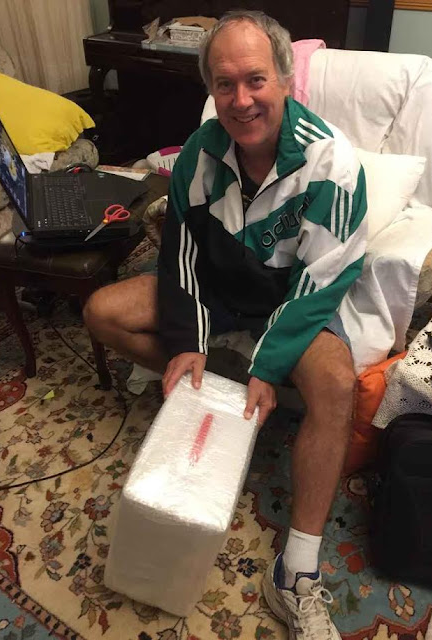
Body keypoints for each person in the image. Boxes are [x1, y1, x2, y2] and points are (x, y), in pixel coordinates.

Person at [84, 10, 367, 639]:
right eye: (225, 84)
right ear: (210, 89)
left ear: (285, 80)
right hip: (217, 293)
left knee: (336, 384)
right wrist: (188, 341)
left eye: (255, 80)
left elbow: (323, 280)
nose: (241, 100)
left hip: (289, 302)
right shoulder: (199, 152)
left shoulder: (333, 164)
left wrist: (271, 361)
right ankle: (223, 380)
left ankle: (295, 571)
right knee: (102, 311)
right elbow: (180, 253)